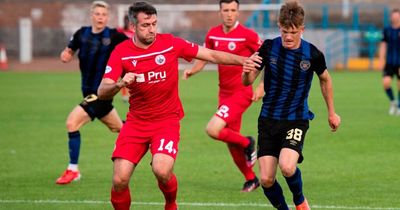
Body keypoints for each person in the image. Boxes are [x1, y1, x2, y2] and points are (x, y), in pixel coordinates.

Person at [97, 2, 247, 210]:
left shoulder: (170, 43)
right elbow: (102, 91)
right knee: (120, 179)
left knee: (162, 170)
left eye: (154, 24)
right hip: (136, 123)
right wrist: (120, 83)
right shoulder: (121, 52)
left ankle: (171, 204)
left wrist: (245, 60)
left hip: (166, 121)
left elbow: (211, 55)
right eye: (145, 25)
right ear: (132, 27)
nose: (152, 29)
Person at [242, 1, 341, 209]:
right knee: (267, 179)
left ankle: (300, 200)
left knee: (287, 166)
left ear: (302, 29)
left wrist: (332, 112)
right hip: (268, 119)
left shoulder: (312, 54)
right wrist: (246, 69)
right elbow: (248, 81)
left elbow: (326, 79)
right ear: (279, 26)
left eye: (293, 32)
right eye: (285, 31)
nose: (288, 36)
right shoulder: (269, 47)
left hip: (296, 119)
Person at [182, 0, 262, 192]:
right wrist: (193, 71)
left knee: (213, 129)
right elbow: (206, 56)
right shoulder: (213, 34)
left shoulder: (247, 35)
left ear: (238, 12)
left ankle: (248, 142)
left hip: (241, 92)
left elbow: (266, 59)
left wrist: (261, 86)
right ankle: (251, 179)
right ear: (220, 12)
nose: (229, 14)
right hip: (223, 94)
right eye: (225, 10)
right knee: (229, 141)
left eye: (233, 10)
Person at [55, 1, 128, 185]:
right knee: (119, 128)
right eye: (97, 14)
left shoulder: (114, 36)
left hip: (102, 92)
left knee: (72, 122)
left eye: (103, 14)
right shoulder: (82, 34)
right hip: (88, 92)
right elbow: (69, 49)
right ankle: (144, 132)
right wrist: (66, 54)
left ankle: (73, 170)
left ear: (107, 17)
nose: (100, 17)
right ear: (92, 16)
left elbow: (132, 47)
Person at [378, 8, 400, 116]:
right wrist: (381, 59)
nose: (395, 18)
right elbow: (383, 45)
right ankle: (393, 102)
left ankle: (399, 107)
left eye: (397, 16)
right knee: (386, 83)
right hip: (390, 62)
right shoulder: (387, 30)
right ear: (391, 17)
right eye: (393, 16)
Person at [117, 14, 134, 102]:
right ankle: (124, 95)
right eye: (126, 21)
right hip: (121, 58)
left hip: (132, 58)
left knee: (132, 77)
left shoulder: (133, 32)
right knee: (123, 77)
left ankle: (131, 94)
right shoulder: (119, 31)